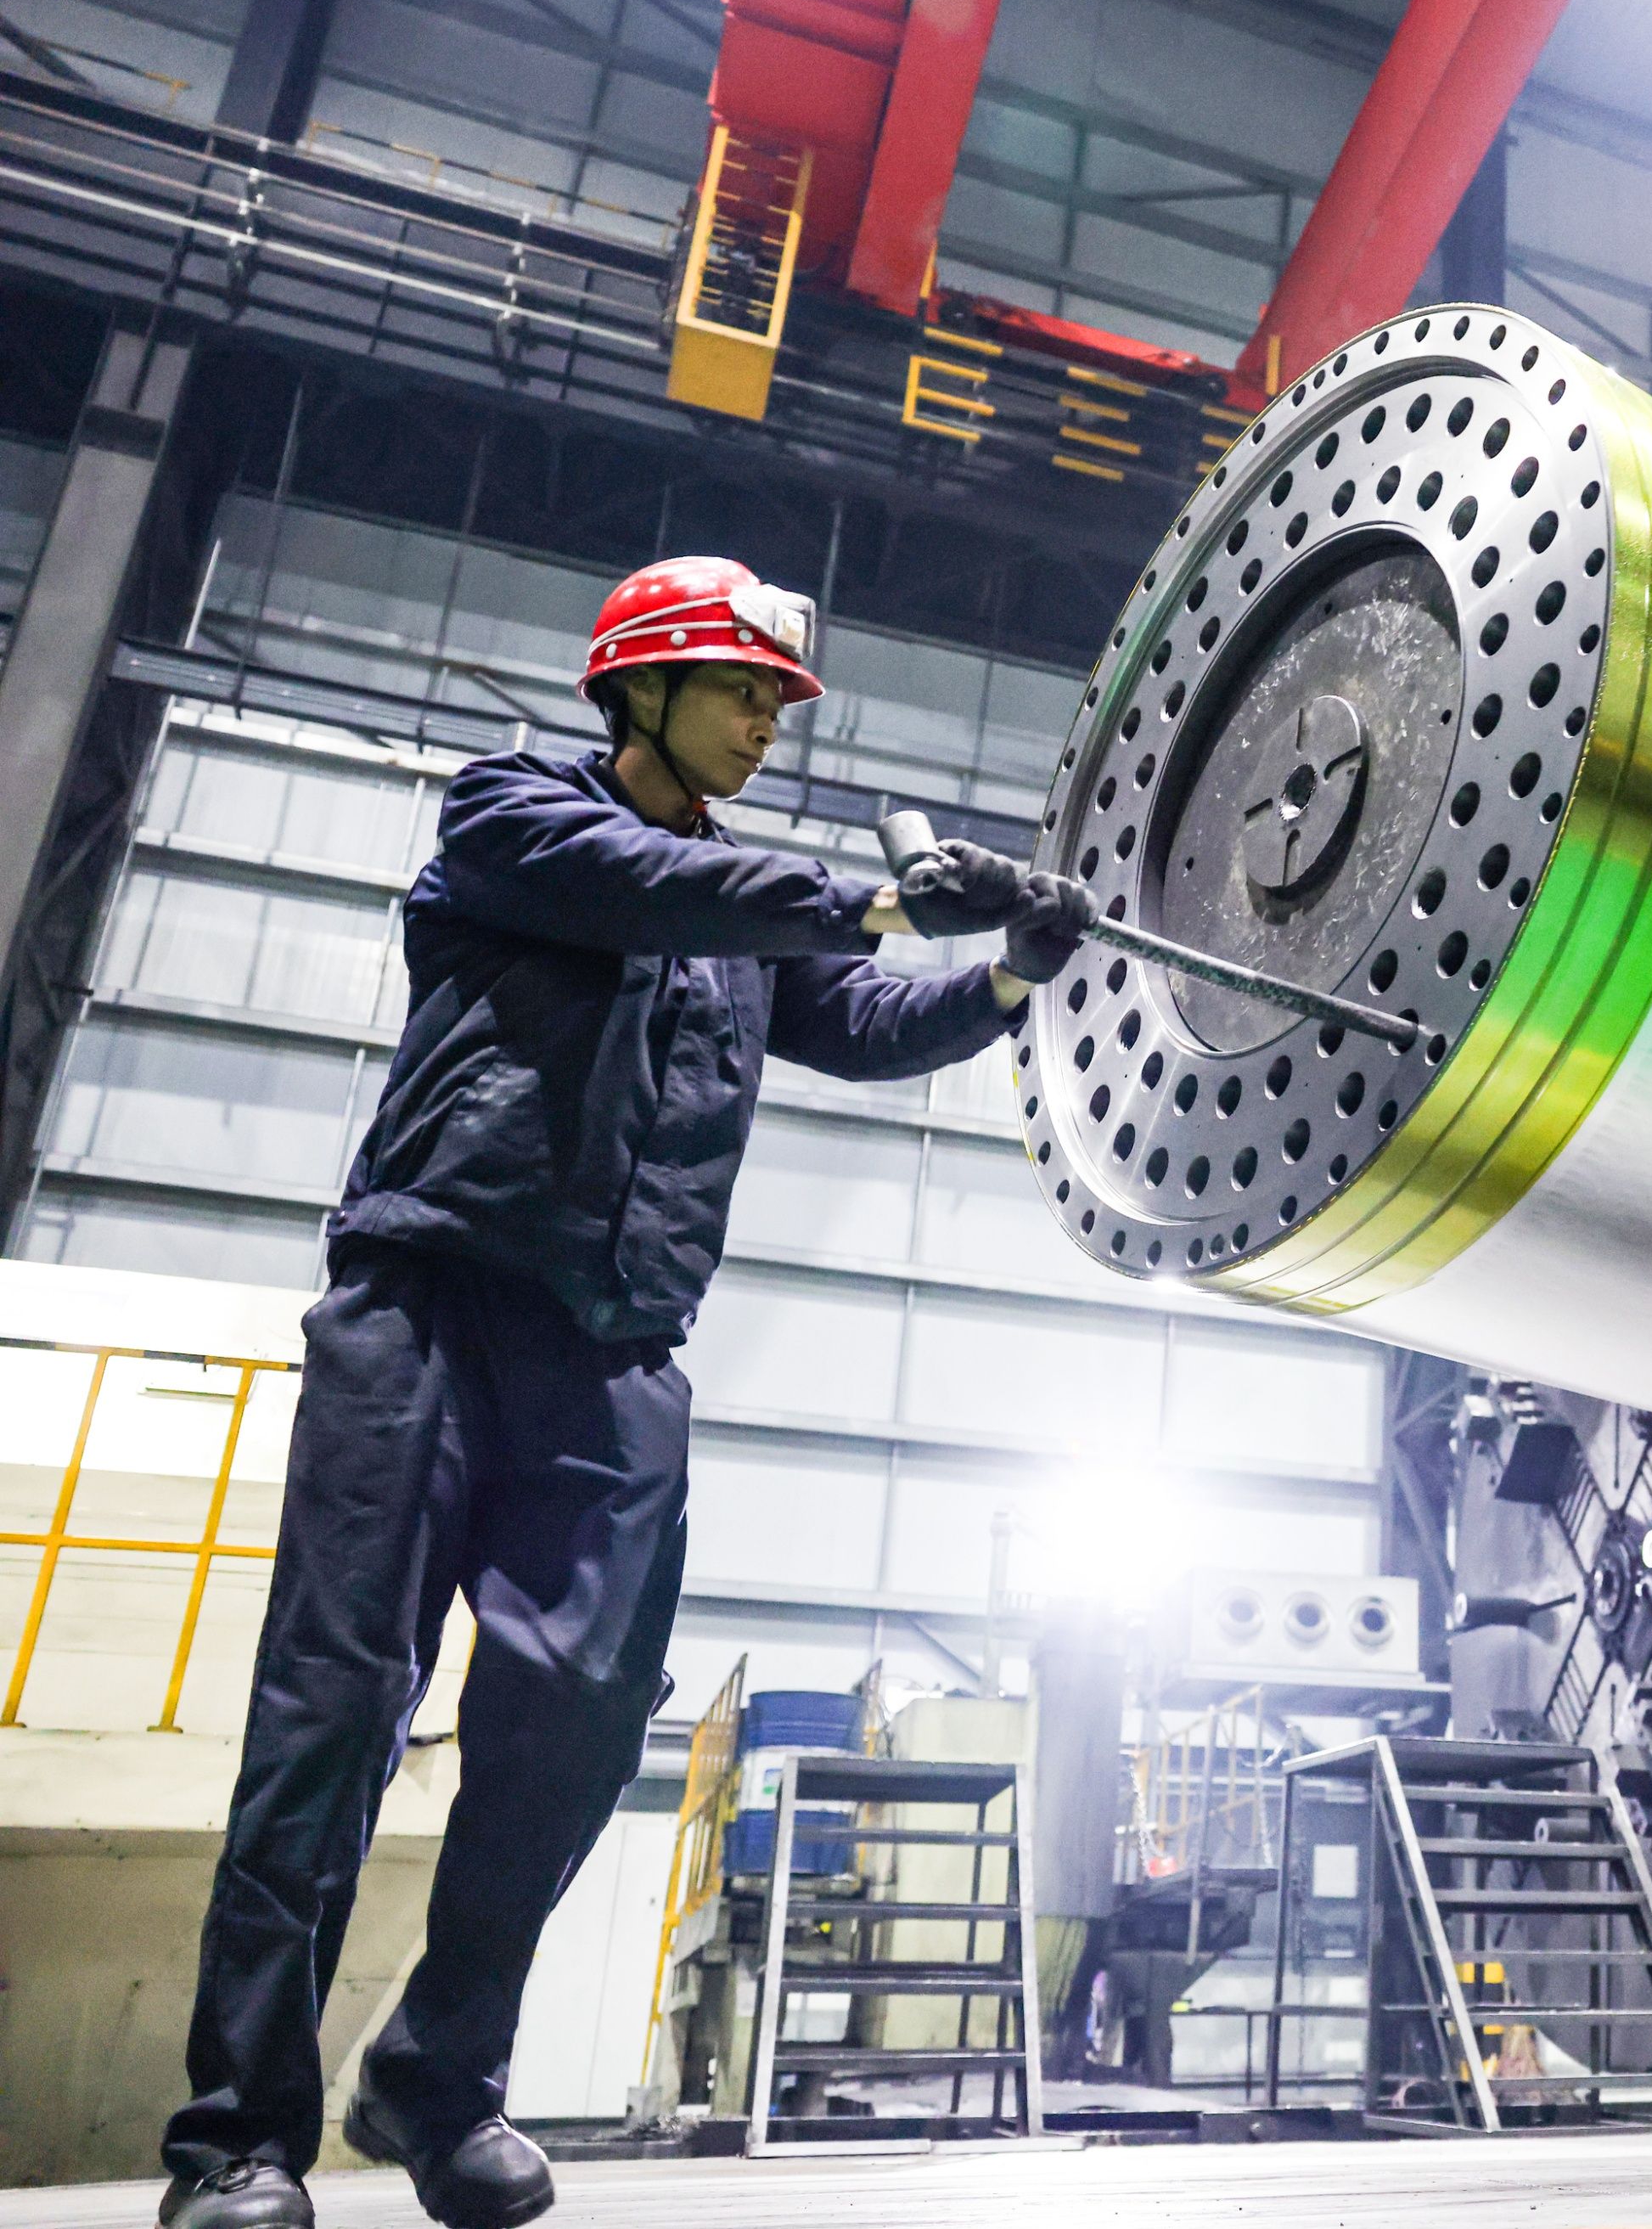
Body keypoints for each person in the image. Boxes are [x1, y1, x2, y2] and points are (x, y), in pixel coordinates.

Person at [155, 558, 1095, 2229]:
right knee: (330, 1716)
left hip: (613, 1359)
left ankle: (437, 2078)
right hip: (429, 1314)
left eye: (778, 700)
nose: (767, 721)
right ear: (641, 683)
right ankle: (237, 2135)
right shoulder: (514, 815)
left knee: (580, 1725)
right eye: (742, 688)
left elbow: (870, 1023)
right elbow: (640, 885)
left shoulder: (741, 918)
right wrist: (878, 901)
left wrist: (1012, 969)